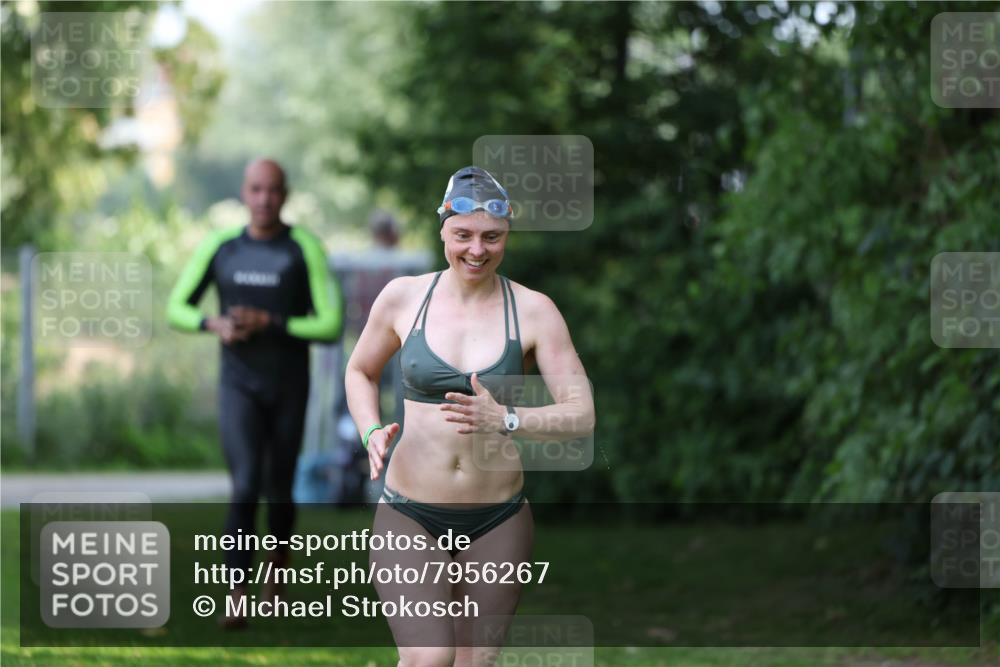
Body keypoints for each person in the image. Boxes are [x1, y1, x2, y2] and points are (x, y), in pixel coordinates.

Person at [345, 166, 594, 666]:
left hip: (498, 518)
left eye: (492, 237)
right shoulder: (403, 297)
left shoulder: (534, 310)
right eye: (463, 236)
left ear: (507, 236)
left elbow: (581, 414)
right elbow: (359, 371)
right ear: (442, 229)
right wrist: (370, 429)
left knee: (475, 662)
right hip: (409, 512)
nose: (476, 250)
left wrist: (508, 418)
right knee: (429, 657)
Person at [166, 158, 343, 629]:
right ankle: (237, 594)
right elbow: (176, 306)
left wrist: (273, 323)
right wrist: (214, 323)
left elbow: (330, 324)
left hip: (288, 385)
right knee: (244, 485)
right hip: (238, 384)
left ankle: (276, 580)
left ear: (285, 195)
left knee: (278, 489)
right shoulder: (221, 247)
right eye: (256, 189)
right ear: (244, 193)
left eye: (273, 190)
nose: (264, 199)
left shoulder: (302, 248)